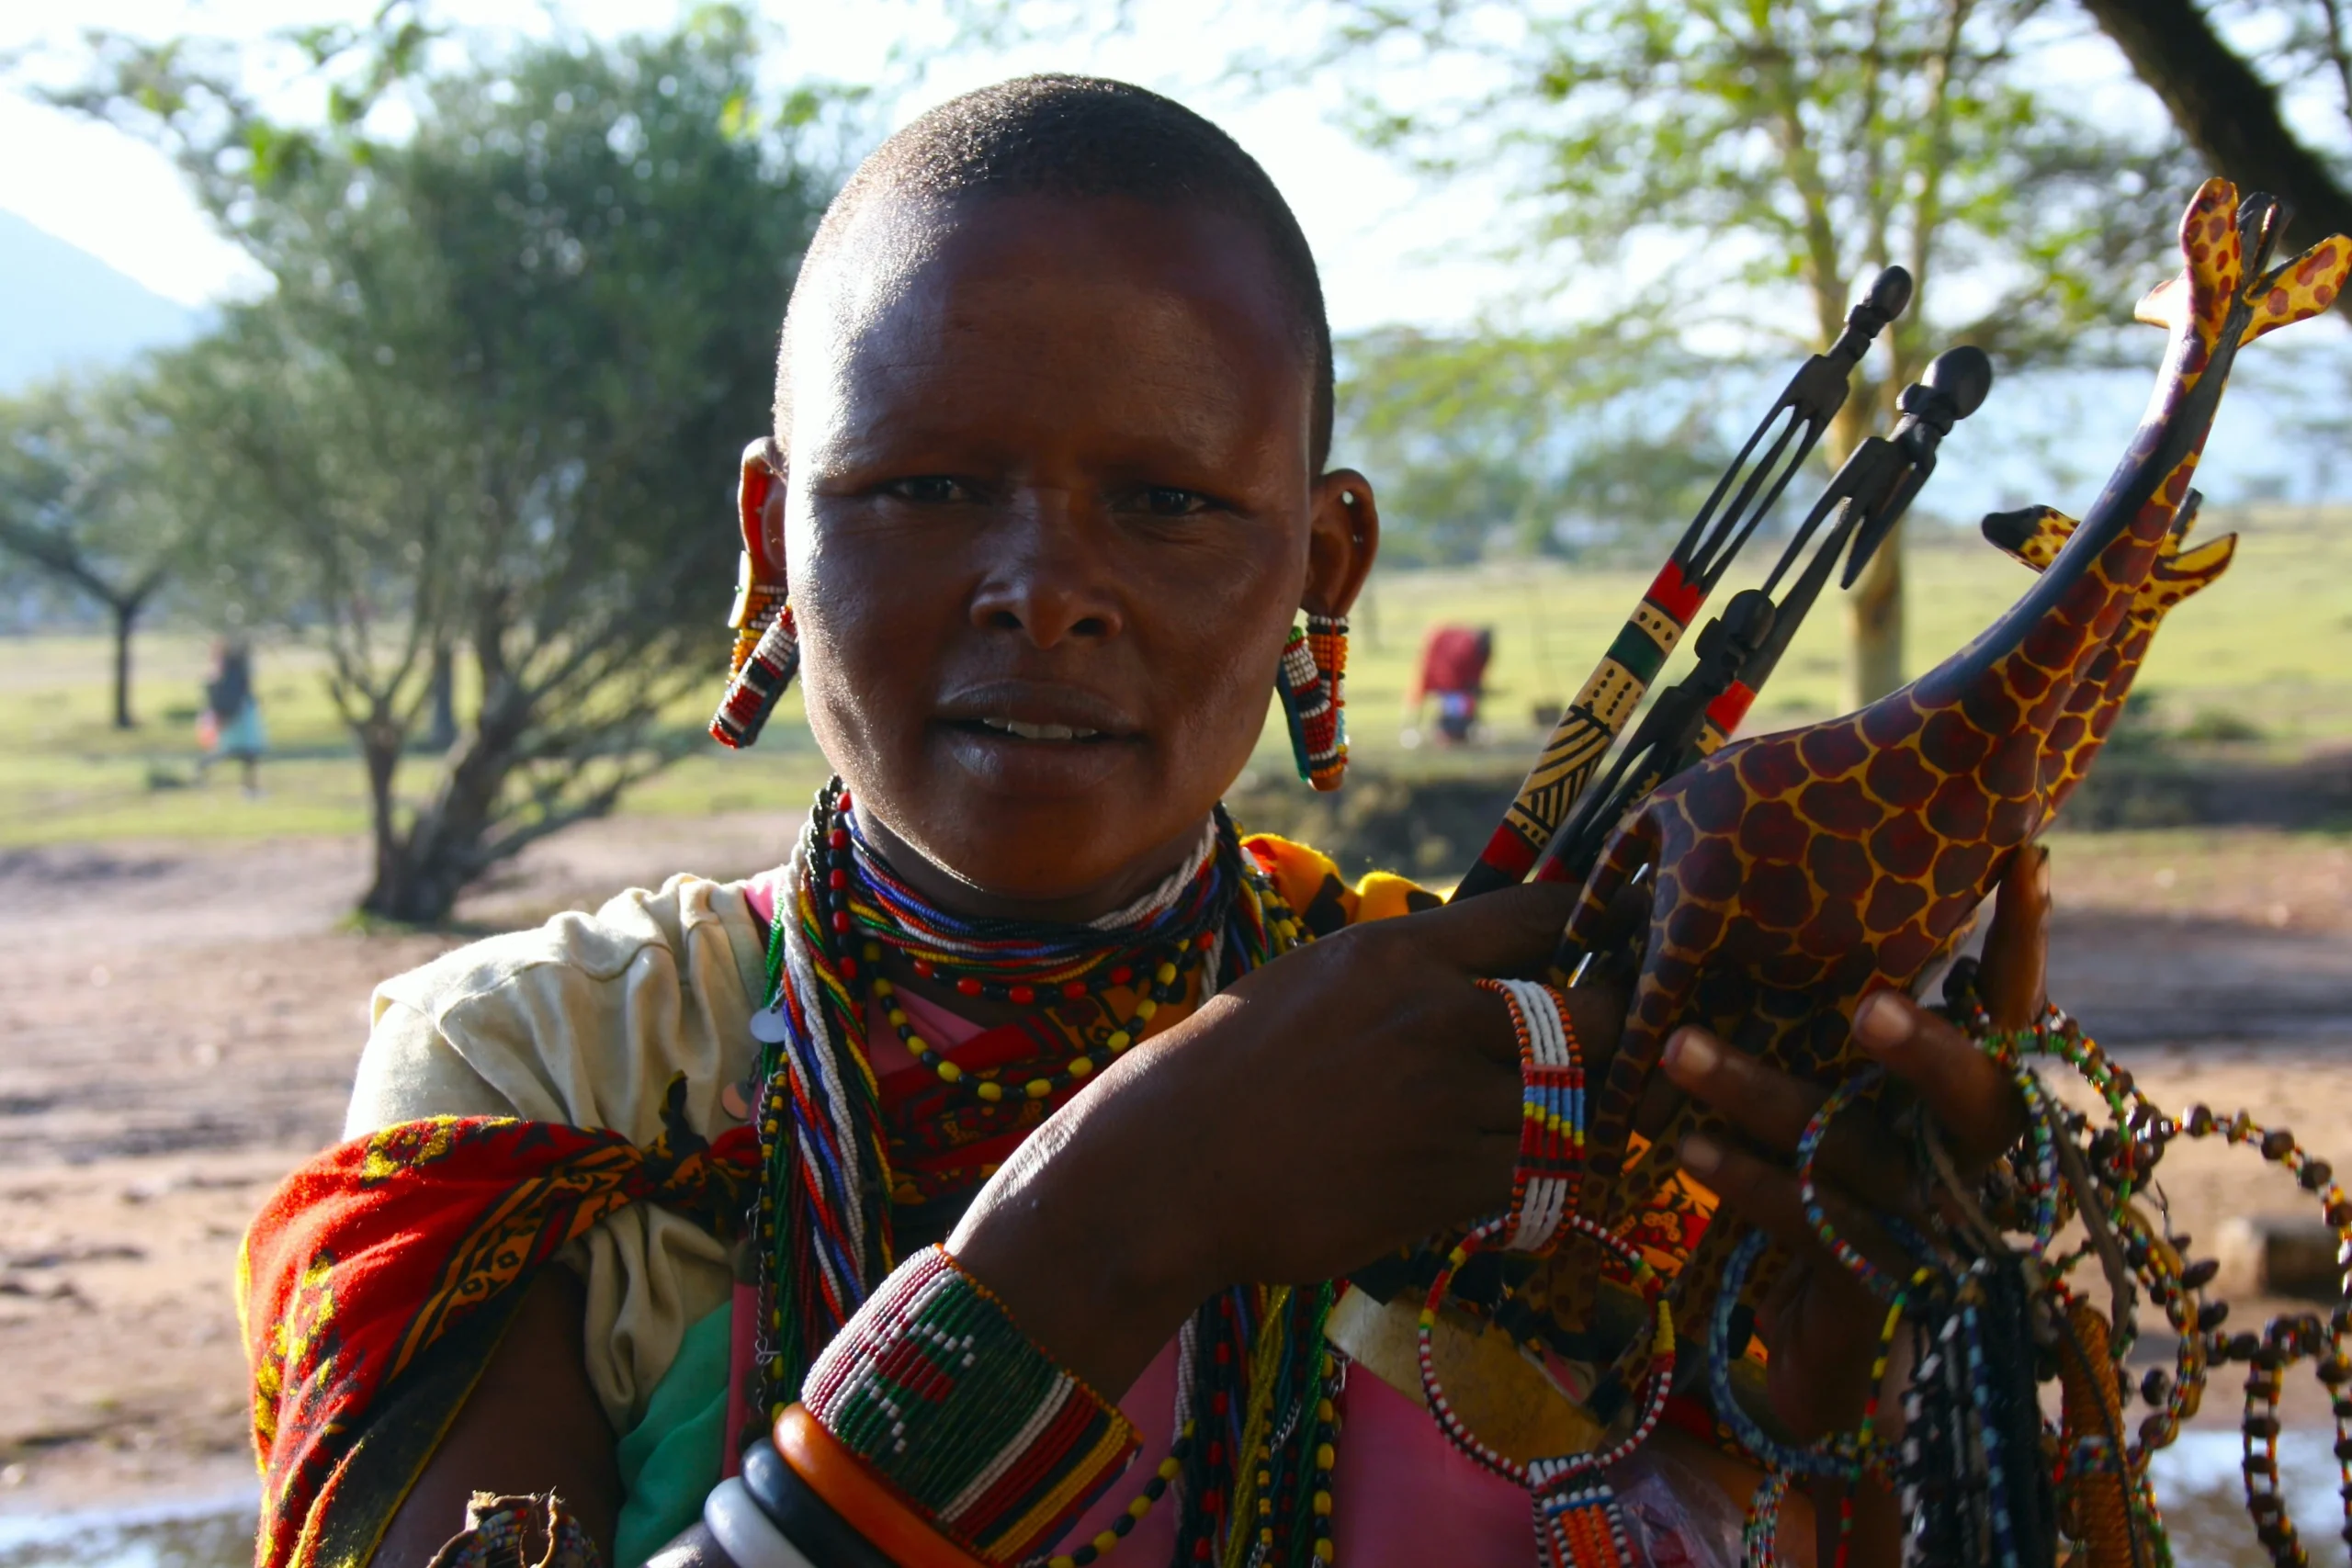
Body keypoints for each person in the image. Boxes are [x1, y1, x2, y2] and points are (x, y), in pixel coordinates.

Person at [240, 77, 2038, 1568]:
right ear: (771, 539)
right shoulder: (552, 1071)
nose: (1043, 588)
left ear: (1319, 563)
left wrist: (1826, 1413)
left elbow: (1749, 1481)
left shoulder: (1521, 1073)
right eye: (925, 488)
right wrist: (1117, 1225)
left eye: (1168, 502)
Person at [198, 637, 266, 795]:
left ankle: (250, 787)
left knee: (247, 753)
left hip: (242, 713)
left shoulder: (234, 670)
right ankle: (203, 767)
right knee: (237, 751)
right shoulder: (232, 671)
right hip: (238, 715)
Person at [1408, 624, 1493, 746]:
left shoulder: (1474, 649)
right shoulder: (1462, 647)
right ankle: (1449, 731)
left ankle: (1458, 730)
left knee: (1460, 705)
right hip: (1448, 680)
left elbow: (1474, 671)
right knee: (1454, 705)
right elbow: (1449, 670)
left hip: (1456, 684)